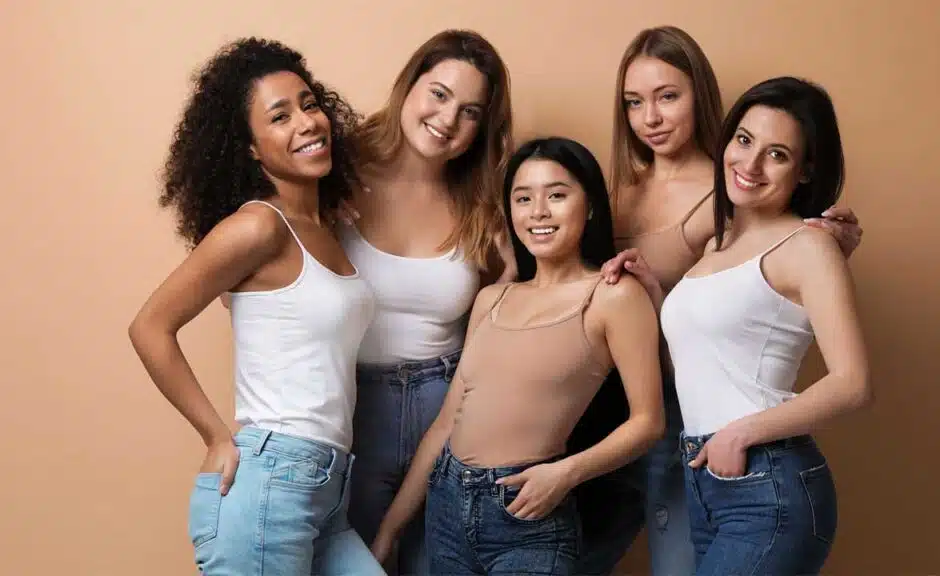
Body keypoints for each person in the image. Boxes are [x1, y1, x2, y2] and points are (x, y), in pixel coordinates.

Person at [580, 26, 866, 575]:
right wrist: (654, 291)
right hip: (696, 460)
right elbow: (700, 342)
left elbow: (853, 382)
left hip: (758, 468)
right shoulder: (718, 244)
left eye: (777, 154)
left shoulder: (795, 237)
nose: (751, 165)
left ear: (804, 169)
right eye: (744, 142)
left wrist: (740, 433)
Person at [128, 38, 385, 575]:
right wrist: (216, 435)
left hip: (328, 491)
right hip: (272, 481)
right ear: (249, 147)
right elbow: (150, 326)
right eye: (280, 117)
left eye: (310, 105)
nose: (307, 123)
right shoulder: (259, 226)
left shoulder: (326, 229)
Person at [369, 137, 666, 575]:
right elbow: (447, 423)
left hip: (529, 513)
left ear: (590, 207)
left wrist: (565, 474)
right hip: (447, 506)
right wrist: (390, 531)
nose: (538, 212)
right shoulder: (491, 298)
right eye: (523, 198)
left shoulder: (613, 296)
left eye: (557, 195)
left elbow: (648, 422)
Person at [336, 29, 517, 576]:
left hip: (450, 407)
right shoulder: (337, 174)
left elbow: (517, 298)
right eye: (439, 94)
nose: (448, 119)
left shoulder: (482, 199)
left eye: (470, 112)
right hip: (355, 408)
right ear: (409, 86)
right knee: (357, 559)